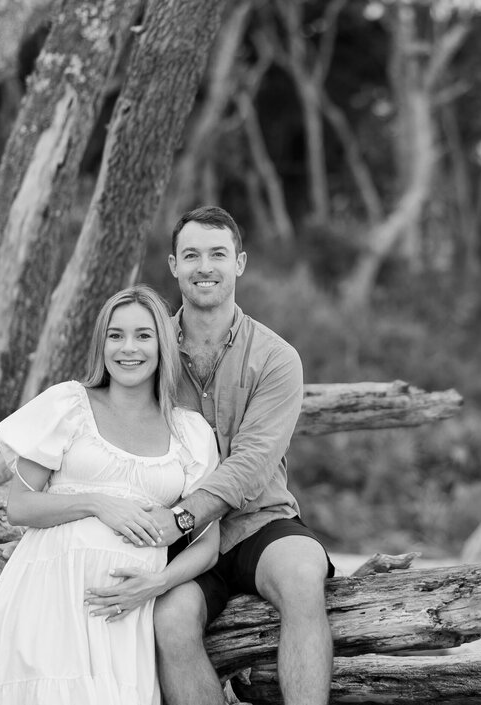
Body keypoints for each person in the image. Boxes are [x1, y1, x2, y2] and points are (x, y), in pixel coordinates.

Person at [0, 285, 220, 705]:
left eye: (143, 335)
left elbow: (208, 545)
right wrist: (98, 503)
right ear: (101, 343)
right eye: (115, 335)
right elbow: (20, 506)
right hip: (49, 597)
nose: (128, 348)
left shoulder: (190, 432)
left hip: (126, 611)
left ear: (163, 345)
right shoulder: (68, 405)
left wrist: (156, 585)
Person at [129, 205, 334, 705]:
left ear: (238, 263)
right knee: (170, 620)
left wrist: (180, 517)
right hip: (182, 542)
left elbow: (253, 464)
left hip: (257, 522)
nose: (205, 266)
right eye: (192, 255)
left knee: (303, 575)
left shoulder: (276, 357)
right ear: (173, 265)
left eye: (217, 254)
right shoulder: (147, 353)